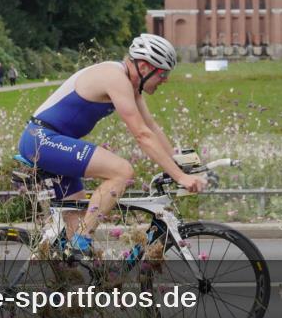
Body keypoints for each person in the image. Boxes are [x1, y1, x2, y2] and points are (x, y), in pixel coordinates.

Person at [18, 34, 207, 256]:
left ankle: (64, 276)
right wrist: (179, 177)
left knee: (72, 238)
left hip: (53, 142)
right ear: (145, 67)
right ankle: (81, 240)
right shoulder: (114, 77)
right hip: (41, 139)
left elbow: (152, 127)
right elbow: (142, 135)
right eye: (163, 73)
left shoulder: (131, 85)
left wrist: (178, 164)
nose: (165, 79)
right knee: (122, 171)